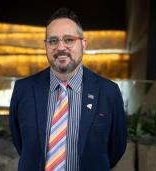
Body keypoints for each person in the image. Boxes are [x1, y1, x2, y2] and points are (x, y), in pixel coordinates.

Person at [9, 8, 127, 171]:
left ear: (83, 44)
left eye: (69, 40)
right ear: (45, 46)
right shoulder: (23, 89)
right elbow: (20, 142)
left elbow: (116, 147)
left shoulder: (109, 92)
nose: (61, 47)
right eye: (53, 41)